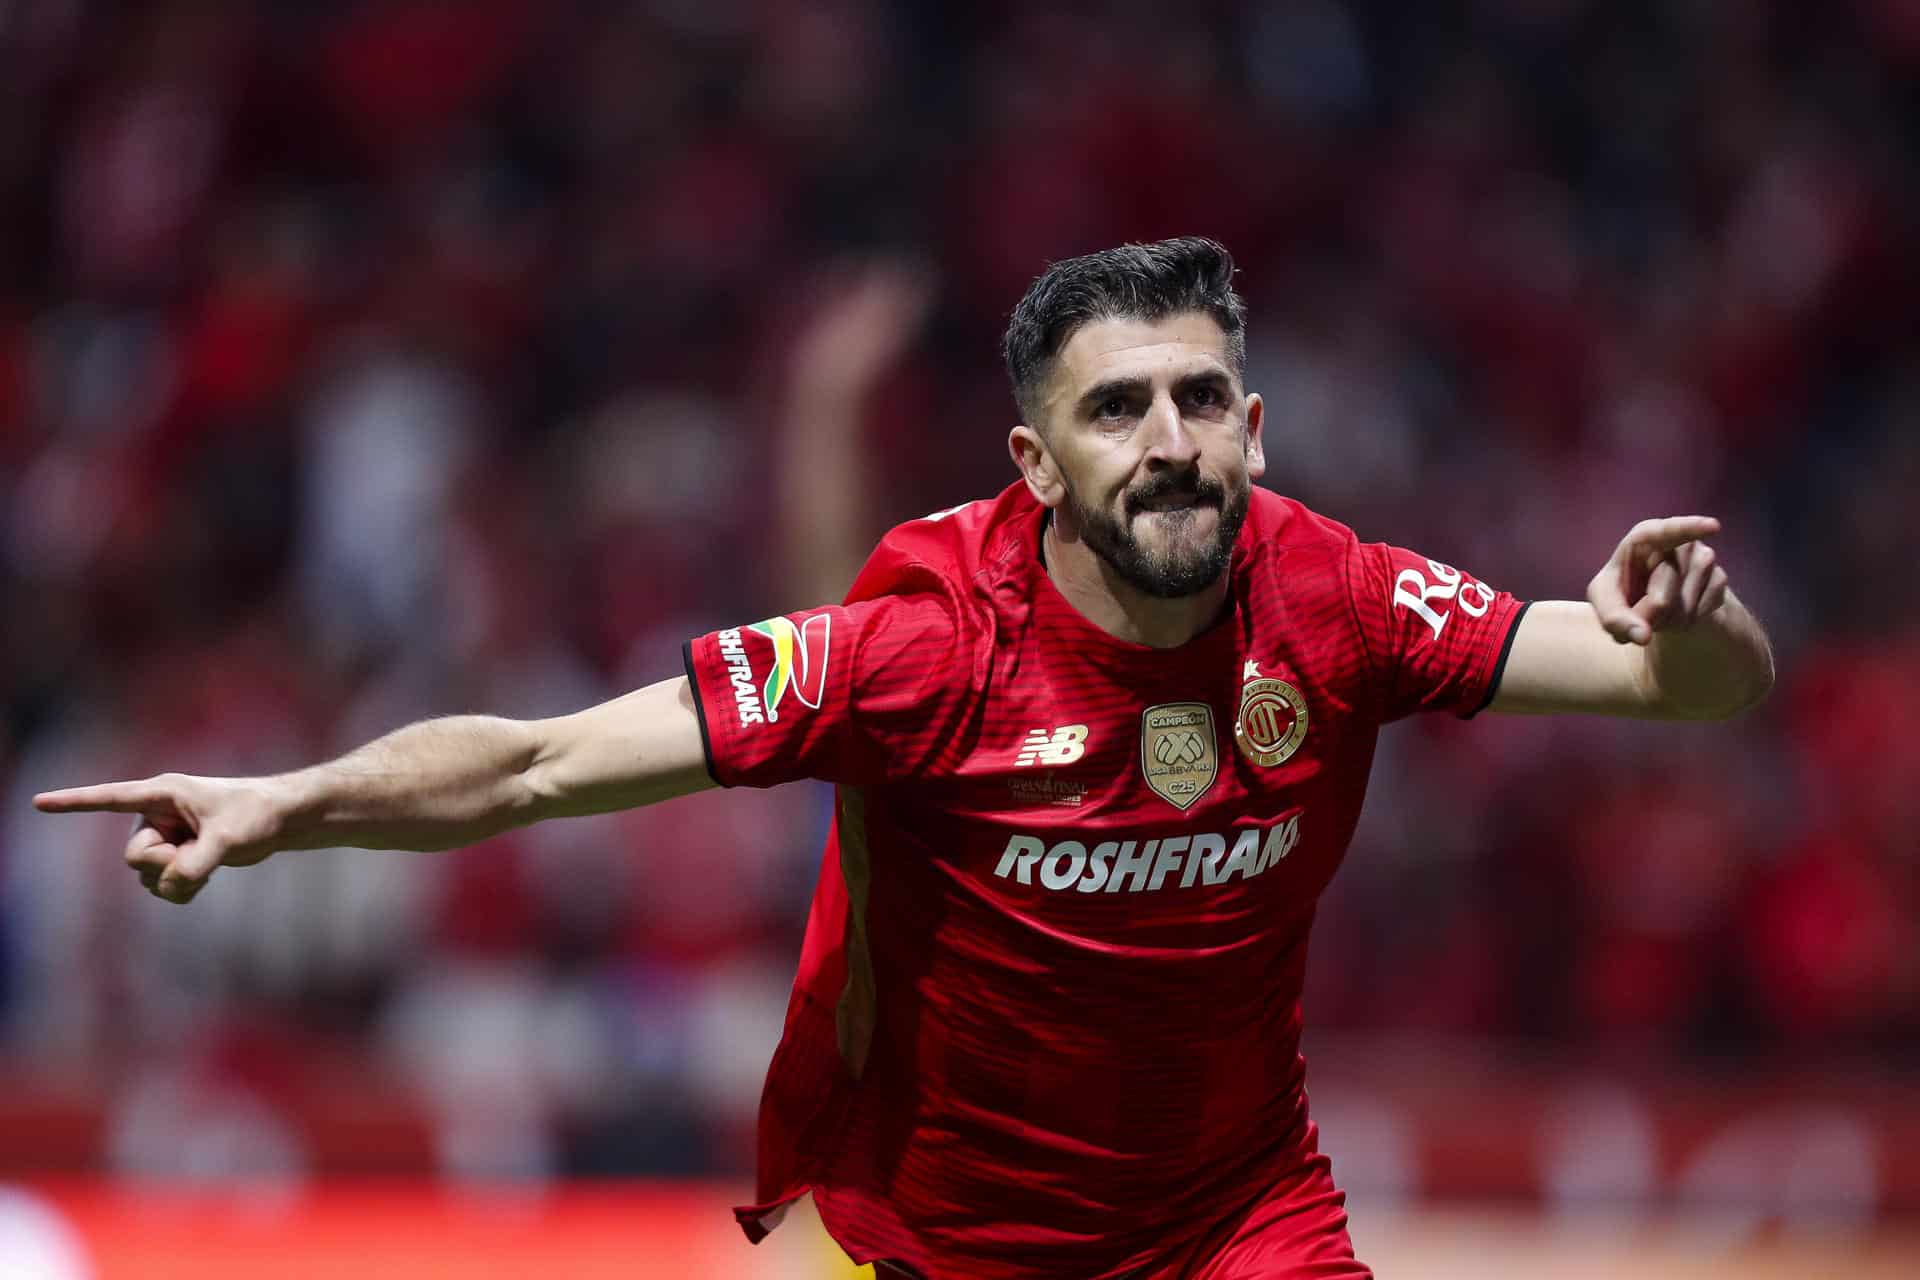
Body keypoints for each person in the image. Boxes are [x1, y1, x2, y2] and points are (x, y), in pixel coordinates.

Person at [34, 238, 1775, 1279]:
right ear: (1037, 462)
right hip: (931, 1249)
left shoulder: (1344, 597)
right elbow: (540, 765)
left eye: (1198, 401)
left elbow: (1691, 691)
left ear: (1255, 425)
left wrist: (1692, 623)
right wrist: (285, 804)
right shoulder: (927, 641)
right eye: (1116, 410)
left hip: (1235, 1225)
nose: (1167, 445)